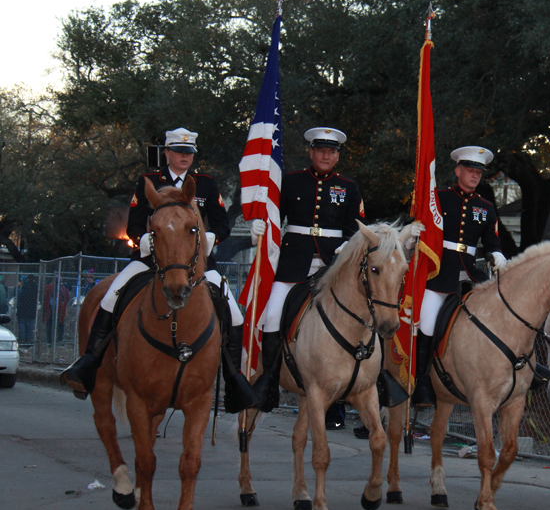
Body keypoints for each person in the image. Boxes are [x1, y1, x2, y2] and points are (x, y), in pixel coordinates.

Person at [61, 128, 256, 410]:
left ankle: (233, 380)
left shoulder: (205, 184)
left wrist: (209, 240)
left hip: (194, 264)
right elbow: (135, 224)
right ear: (167, 153)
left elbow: (222, 224)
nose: (184, 157)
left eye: (189, 153)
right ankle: (89, 361)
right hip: (151, 261)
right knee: (110, 296)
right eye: (178, 152)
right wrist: (146, 242)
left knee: (234, 314)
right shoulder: (149, 181)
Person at [249, 127, 366, 419]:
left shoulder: (349, 186)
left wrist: (345, 247)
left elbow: (358, 229)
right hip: (294, 263)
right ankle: (270, 382)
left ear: (337, 156)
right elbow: (275, 215)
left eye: (332, 152)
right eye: (321, 150)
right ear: (311, 152)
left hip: (333, 266)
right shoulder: (291, 181)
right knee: (273, 315)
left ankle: (360, 385)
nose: (326, 156)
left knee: (365, 315)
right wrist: (260, 227)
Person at [410, 146, 507, 407]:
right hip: (440, 272)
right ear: (457, 171)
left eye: (478, 172)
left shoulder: (485, 207)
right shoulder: (438, 198)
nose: (475, 176)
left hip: (472, 276)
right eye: (470, 171)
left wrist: (497, 254)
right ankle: (421, 382)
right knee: (427, 322)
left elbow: (491, 240)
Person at [17, 275, 38, 344]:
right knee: (30, 324)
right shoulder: (36, 287)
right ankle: (29, 338)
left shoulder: (24, 287)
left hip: (23, 308)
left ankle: (22, 338)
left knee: (22, 323)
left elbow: (19, 297)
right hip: (32, 308)